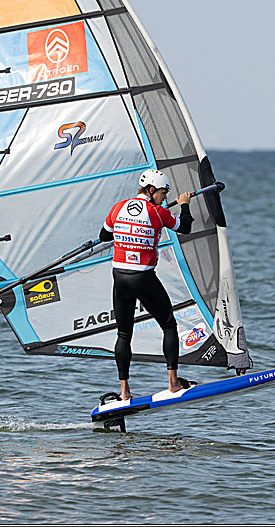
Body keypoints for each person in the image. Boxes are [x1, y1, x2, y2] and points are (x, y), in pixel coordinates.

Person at [99, 169, 194, 400]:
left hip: (120, 276)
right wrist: (184, 204)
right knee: (169, 325)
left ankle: (124, 392)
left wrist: (126, 230)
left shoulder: (118, 208)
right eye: (162, 192)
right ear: (151, 190)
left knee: (123, 334)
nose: (164, 197)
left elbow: (104, 235)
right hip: (143, 277)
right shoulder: (159, 213)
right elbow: (185, 227)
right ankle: (173, 383)